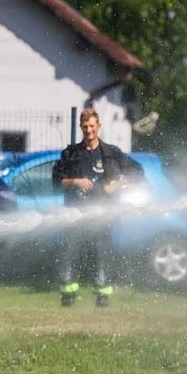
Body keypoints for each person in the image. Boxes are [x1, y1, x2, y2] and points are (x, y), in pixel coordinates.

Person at [51, 107, 144, 308]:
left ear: (98, 127)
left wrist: (118, 183)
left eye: (92, 126)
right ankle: (68, 296)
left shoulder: (111, 154)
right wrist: (76, 182)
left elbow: (137, 171)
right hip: (75, 215)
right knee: (70, 254)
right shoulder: (70, 154)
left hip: (102, 217)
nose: (88, 129)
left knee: (100, 255)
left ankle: (102, 297)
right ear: (81, 127)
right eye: (85, 126)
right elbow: (56, 180)